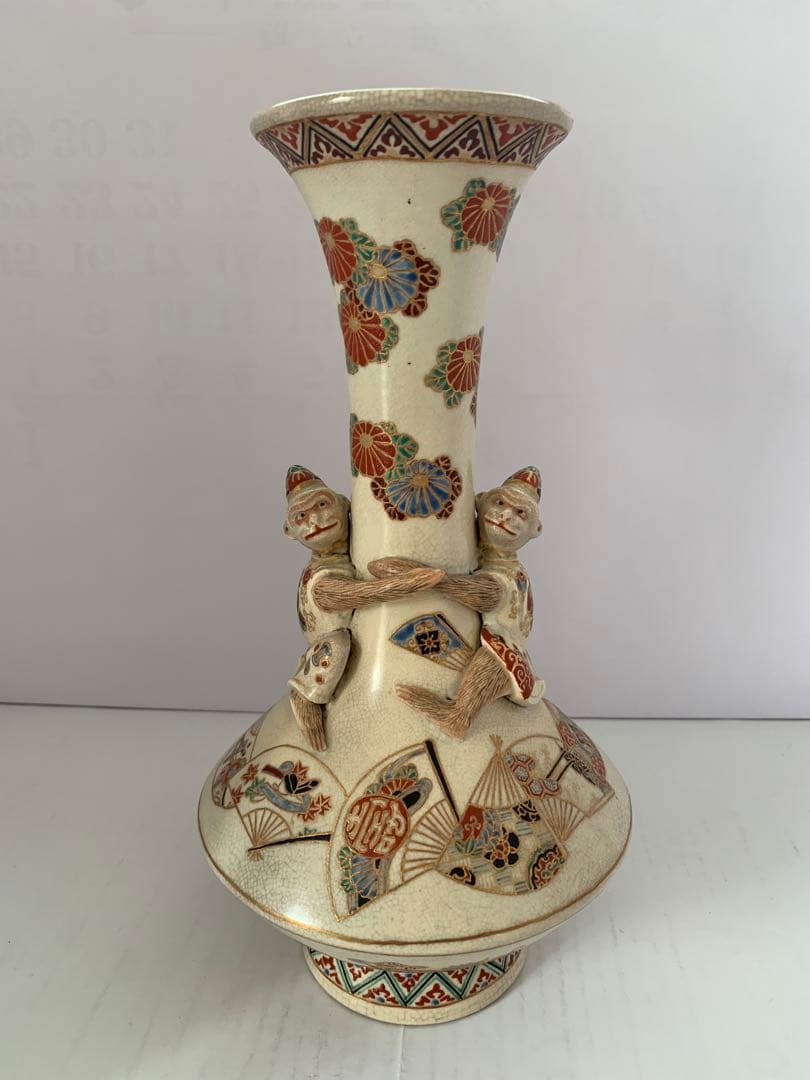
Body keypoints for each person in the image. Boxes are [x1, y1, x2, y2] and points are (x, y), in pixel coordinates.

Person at [370, 467, 544, 739]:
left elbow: (483, 594)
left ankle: (458, 717)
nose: (506, 516)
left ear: (536, 529)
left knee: (493, 658)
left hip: (506, 655)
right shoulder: (501, 568)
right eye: (499, 503)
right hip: (500, 648)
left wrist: (425, 577)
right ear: (480, 502)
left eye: (521, 513)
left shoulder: (505, 576)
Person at [284, 466, 444, 749]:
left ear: (345, 505)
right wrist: (408, 583)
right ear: (289, 530)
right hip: (328, 646)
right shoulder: (323, 580)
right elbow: (362, 593)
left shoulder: (338, 560)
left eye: (322, 505)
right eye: (301, 516)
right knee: (337, 644)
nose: (315, 520)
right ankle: (306, 694)